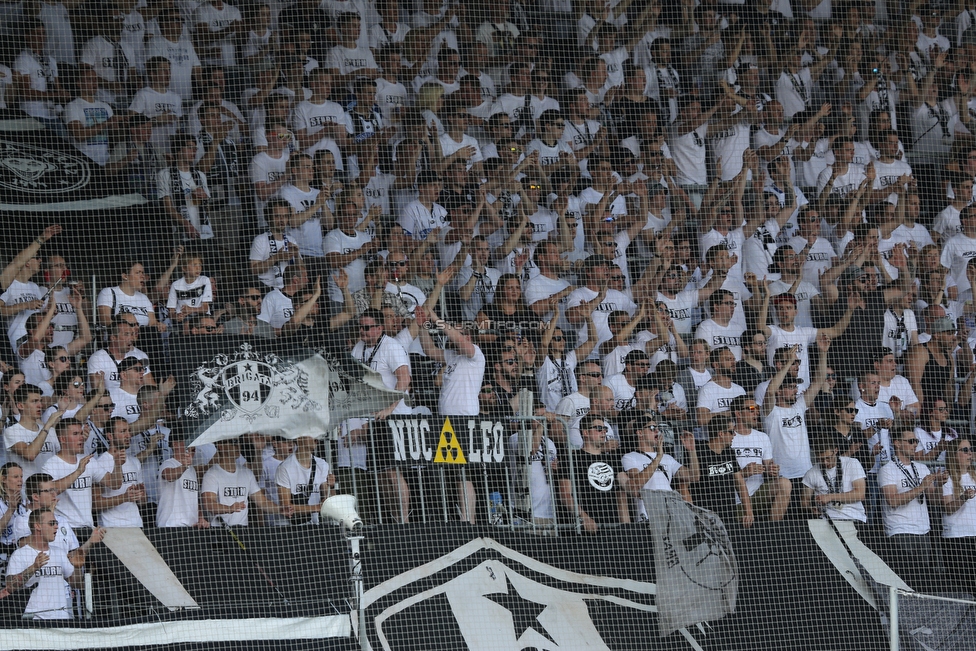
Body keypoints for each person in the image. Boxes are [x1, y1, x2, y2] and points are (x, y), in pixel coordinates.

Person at [879, 428, 948, 590]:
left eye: (916, 441)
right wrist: (921, 487)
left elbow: (934, 500)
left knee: (921, 584)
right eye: (911, 441)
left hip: (923, 532)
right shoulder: (887, 469)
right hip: (900, 531)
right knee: (904, 583)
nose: (915, 445)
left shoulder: (922, 468)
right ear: (897, 443)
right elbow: (893, 501)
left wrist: (940, 486)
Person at [41, 418, 124, 529]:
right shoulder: (51, 465)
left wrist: (117, 465)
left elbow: (114, 484)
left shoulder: (88, 461)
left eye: (81, 433)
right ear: (63, 439)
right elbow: (49, 492)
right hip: (64, 528)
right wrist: (78, 472)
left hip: (88, 527)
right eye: (75, 434)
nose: (81, 437)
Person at [557, 414, 628, 533]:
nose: (603, 432)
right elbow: (565, 494)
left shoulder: (612, 459)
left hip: (611, 527)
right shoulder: (571, 458)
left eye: (605, 429)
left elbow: (628, 486)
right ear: (586, 432)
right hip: (584, 527)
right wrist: (584, 517)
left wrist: (657, 459)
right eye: (599, 429)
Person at [3, 509, 79, 619]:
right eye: (51, 523)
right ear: (37, 526)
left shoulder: (59, 552)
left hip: (62, 619)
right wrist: (33, 568)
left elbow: (76, 583)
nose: (56, 526)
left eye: (56, 523)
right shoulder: (20, 554)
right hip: (35, 619)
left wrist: (77, 567)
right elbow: (10, 587)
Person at [620, 418, 699, 520]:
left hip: (671, 514)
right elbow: (637, 483)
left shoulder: (667, 458)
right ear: (640, 433)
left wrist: (691, 450)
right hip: (648, 514)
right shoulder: (630, 457)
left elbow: (694, 477)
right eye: (652, 428)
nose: (657, 431)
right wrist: (658, 458)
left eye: (657, 428)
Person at [201, 438, 290, 526]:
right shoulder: (211, 474)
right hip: (219, 530)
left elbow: (262, 502)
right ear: (220, 446)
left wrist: (280, 509)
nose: (238, 445)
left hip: (243, 530)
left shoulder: (247, 473)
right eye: (233, 442)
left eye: (239, 441)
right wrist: (229, 509)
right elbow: (209, 503)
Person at [730, 395, 792, 522]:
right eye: (751, 409)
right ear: (738, 413)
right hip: (734, 500)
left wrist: (772, 470)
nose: (756, 412)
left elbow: (770, 466)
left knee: (785, 483)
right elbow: (719, 476)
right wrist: (743, 473)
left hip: (758, 494)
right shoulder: (729, 436)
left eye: (757, 409)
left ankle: (773, 530)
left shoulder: (762, 437)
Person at [690, 415, 753, 528]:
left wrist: (748, 511)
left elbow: (740, 483)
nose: (734, 435)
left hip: (729, 515)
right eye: (731, 432)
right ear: (721, 434)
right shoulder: (699, 451)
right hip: (705, 517)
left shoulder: (729, 452)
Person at [801, 433, 868, 526]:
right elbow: (804, 501)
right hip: (827, 521)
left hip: (853, 517)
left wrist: (830, 497)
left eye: (828, 458)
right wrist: (811, 508)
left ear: (835, 450)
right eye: (821, 459)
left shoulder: (852, 463)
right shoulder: (811, 473)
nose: (825, 462)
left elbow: (860, 494)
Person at [4, 384, 64, 479]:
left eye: (40, 401)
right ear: (20, 405)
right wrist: (47, 425)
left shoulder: (50, 431)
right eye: (34, 401)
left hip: (51, 487)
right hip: (27, 490)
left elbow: (63, 456)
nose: (40, 405)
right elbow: (30, 454)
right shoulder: (12, 431)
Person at [942, 438, 976, 594]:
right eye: (965, 450)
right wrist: (963, 497)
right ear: (954, 454)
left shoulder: (975, 476)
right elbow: (948, 508)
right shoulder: (947, 478)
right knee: (964, 585)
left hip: (974, 534)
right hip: (957, 538)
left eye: (970, 450)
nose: (970, 453)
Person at [276, 436, 335, 525]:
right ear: (299, 438)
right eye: (312, 434)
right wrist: (317, 507)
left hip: (317, 526)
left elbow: (328, 499)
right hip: (292, 527)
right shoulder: (284, 468)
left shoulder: (322, 465)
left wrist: (332, 486)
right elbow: (286, 507)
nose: (316, 438)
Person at [157, 436, 207, 528]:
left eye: (193, 449)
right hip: (171, 525)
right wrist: (184, 466)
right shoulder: (168, 463)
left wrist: (201, 518)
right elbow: (169, 476)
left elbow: (194, 499)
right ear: (175, 444)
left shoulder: (192, 471)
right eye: (188, 442)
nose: (192, 447)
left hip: (192, 525)